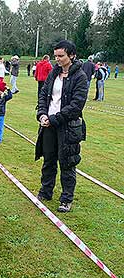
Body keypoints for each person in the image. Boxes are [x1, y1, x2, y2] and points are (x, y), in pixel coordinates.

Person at [35, 40, 87, 213]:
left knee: (67, 163)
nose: (57, 59)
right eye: (55, 55)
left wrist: (55, 119)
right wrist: (42, 114)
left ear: (71, 55)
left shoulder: (80, 77)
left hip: (68, 127)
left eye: (61, 56)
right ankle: (45, 192)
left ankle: (66, 199)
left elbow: (76, 105)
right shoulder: (53, 73)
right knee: (49, 160)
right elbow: (43, 95)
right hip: (48, 124)